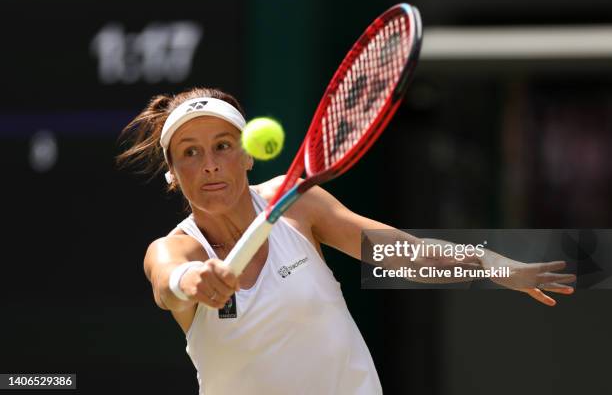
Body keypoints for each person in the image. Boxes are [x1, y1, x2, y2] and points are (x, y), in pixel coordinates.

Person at [117, 87, 576, 395]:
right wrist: (193, 281)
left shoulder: (295, 202)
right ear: (173, 175)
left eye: (222, 145)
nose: (210, 164)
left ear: (247, 155)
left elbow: (404, 253)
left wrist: (493, 265)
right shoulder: (176, 248)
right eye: (190, 153)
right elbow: (167, 279)